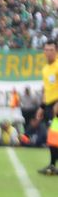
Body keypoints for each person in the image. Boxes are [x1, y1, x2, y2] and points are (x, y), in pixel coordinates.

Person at [37, 40, 58, 175]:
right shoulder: (45, 69)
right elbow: (46, 90)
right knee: (53, 137)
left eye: (51, 49)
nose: (48, 52)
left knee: (54, 136)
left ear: (56, 51)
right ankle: (52, 165)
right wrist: (42, 107)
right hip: (50, 106)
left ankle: (52, 165)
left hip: (57, 104)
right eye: (46, 49)